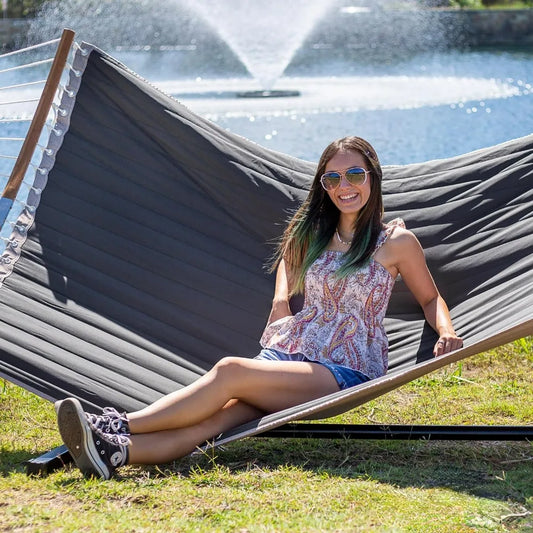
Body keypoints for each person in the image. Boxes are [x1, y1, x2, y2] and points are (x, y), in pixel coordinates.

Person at [56, 136, 463, 479]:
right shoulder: (316, 231)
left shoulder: (395, 242)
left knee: (231, 371)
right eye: (333, 178)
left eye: (355, 174)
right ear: (324, 184)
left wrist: (445, 331)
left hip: (347, 366)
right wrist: (280, 301)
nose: (345, 186)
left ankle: (116, 424)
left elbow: (430, 297)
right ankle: (116, 453)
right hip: (293, 349)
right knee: (218, 419)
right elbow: (289, 254)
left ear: (373, 176)